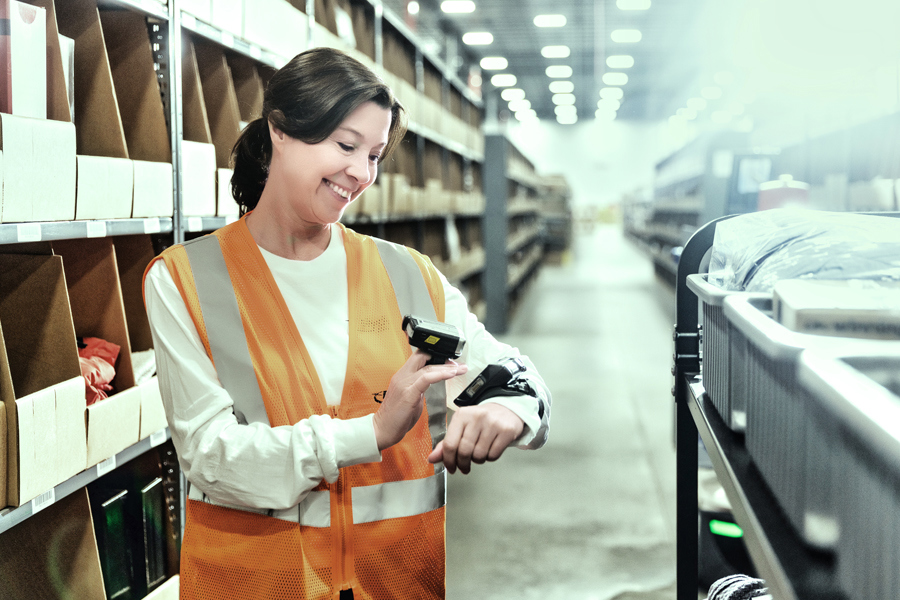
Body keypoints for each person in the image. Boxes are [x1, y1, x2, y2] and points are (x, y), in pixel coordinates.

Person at [143, 46, 550, 600]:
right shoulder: (185, 280)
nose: (362, 174)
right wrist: (371, 434)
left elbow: (509, 372)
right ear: (280, 132)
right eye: (345, 145)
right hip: (256, 586)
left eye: (376, 154)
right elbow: (210, 458)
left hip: (396, 582)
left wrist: (513, 408)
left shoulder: (405, 273)